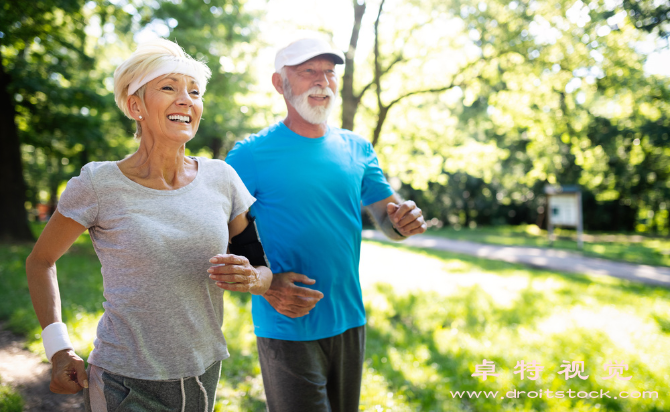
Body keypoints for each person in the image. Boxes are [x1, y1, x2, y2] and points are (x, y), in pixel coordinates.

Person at [26, 38, 273, 412]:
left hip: (203, 374)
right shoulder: (98, 184)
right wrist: (58, 349)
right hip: (124, 381)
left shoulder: (222, 178)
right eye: (169, 87)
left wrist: (253, 279)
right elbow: (40, 261)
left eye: (194, 91)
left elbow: (262, 267)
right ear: (135, 105)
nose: (185, 99)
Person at [225, 37, 428, 412]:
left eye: (329, 72)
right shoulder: (249, 155)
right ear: (278, 83)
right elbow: (220, 233)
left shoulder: (358, 148)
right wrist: (266, 285)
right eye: (308, 72)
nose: (323, 81)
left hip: (350, 317)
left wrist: (405, 221)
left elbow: (388, 218)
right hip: (287, 320)